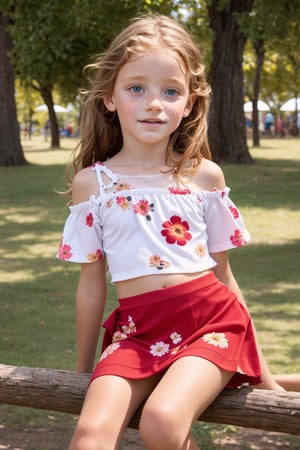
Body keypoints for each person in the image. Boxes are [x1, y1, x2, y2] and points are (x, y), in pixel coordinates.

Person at [57, 15, 299, 450]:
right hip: (136, 332)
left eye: (171, 91)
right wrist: (82, 374)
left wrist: (263, 375)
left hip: (211, 324)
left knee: (162, 421)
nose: (155, 103)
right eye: (137, 89)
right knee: (90, 437)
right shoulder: (93, 186)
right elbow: (91, 284)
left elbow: (225, 279)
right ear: (109, 97)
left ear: (189, 103)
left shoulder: (204, 178)